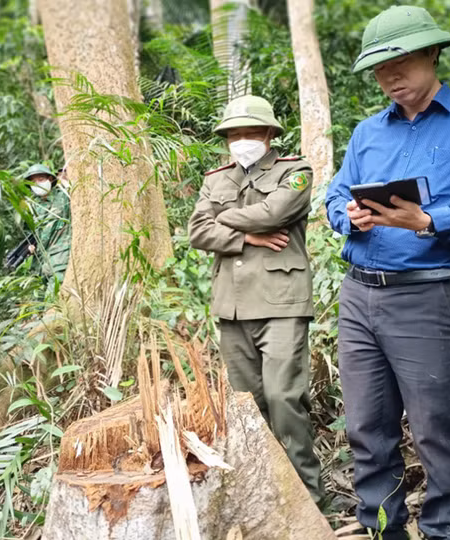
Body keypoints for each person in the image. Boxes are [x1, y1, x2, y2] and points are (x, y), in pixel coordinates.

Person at [324, 6, 450, 539]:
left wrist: (429, 220)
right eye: (379, 69)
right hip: (359, 298)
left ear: (433, 53)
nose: (390, 76)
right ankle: (381, 529)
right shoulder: (367, 132)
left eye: (401, 61)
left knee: (437, 433)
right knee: (366, 431)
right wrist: (348, 214)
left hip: (426, 300)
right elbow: (336, 193)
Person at [188, 95, 324, 501]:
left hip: (282, 301)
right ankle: (265, 496)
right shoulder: (217, 178)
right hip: (232, 305)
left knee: (284, 400)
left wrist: (223, 219)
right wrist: (245, 236)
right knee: (249, 407)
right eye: (233, 134)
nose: (240, 140)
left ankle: (308, 498)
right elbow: (197, 231)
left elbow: (273, 214)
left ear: (268, 134)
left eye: (249, 132)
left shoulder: (294, 170)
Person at [5, 164, 71, 287]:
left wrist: (65, 181)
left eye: (40, 180)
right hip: (42, 265)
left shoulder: (63, 195)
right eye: (33, 182)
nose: (37, 184)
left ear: (50, 179)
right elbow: (32, 234)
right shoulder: (31, 206)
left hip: (61, 258)